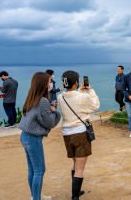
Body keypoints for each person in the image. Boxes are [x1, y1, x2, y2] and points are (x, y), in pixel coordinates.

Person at [18, 72, 61, 200]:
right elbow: (49, 122)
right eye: (49, 82)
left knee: (32, 170)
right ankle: (36, 198)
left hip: (25, 136)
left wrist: (49, 111)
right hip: (33, 138)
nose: (50, 84)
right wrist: (55, 113)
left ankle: (35, 195)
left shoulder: (32, 96)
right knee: (39, 170)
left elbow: (39, 117)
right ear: (43, 84)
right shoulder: (43, 100)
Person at [57, 71, 100, 200]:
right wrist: (90, 90)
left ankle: (77, 191)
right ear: (76, 82)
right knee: (80, 168)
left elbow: (75, 103)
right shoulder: (83, 97)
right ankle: (75, 197)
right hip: (80, 133)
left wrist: (80, 91)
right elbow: (95, 106)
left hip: (67, 134)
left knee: (76, 163)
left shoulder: (60, 97)